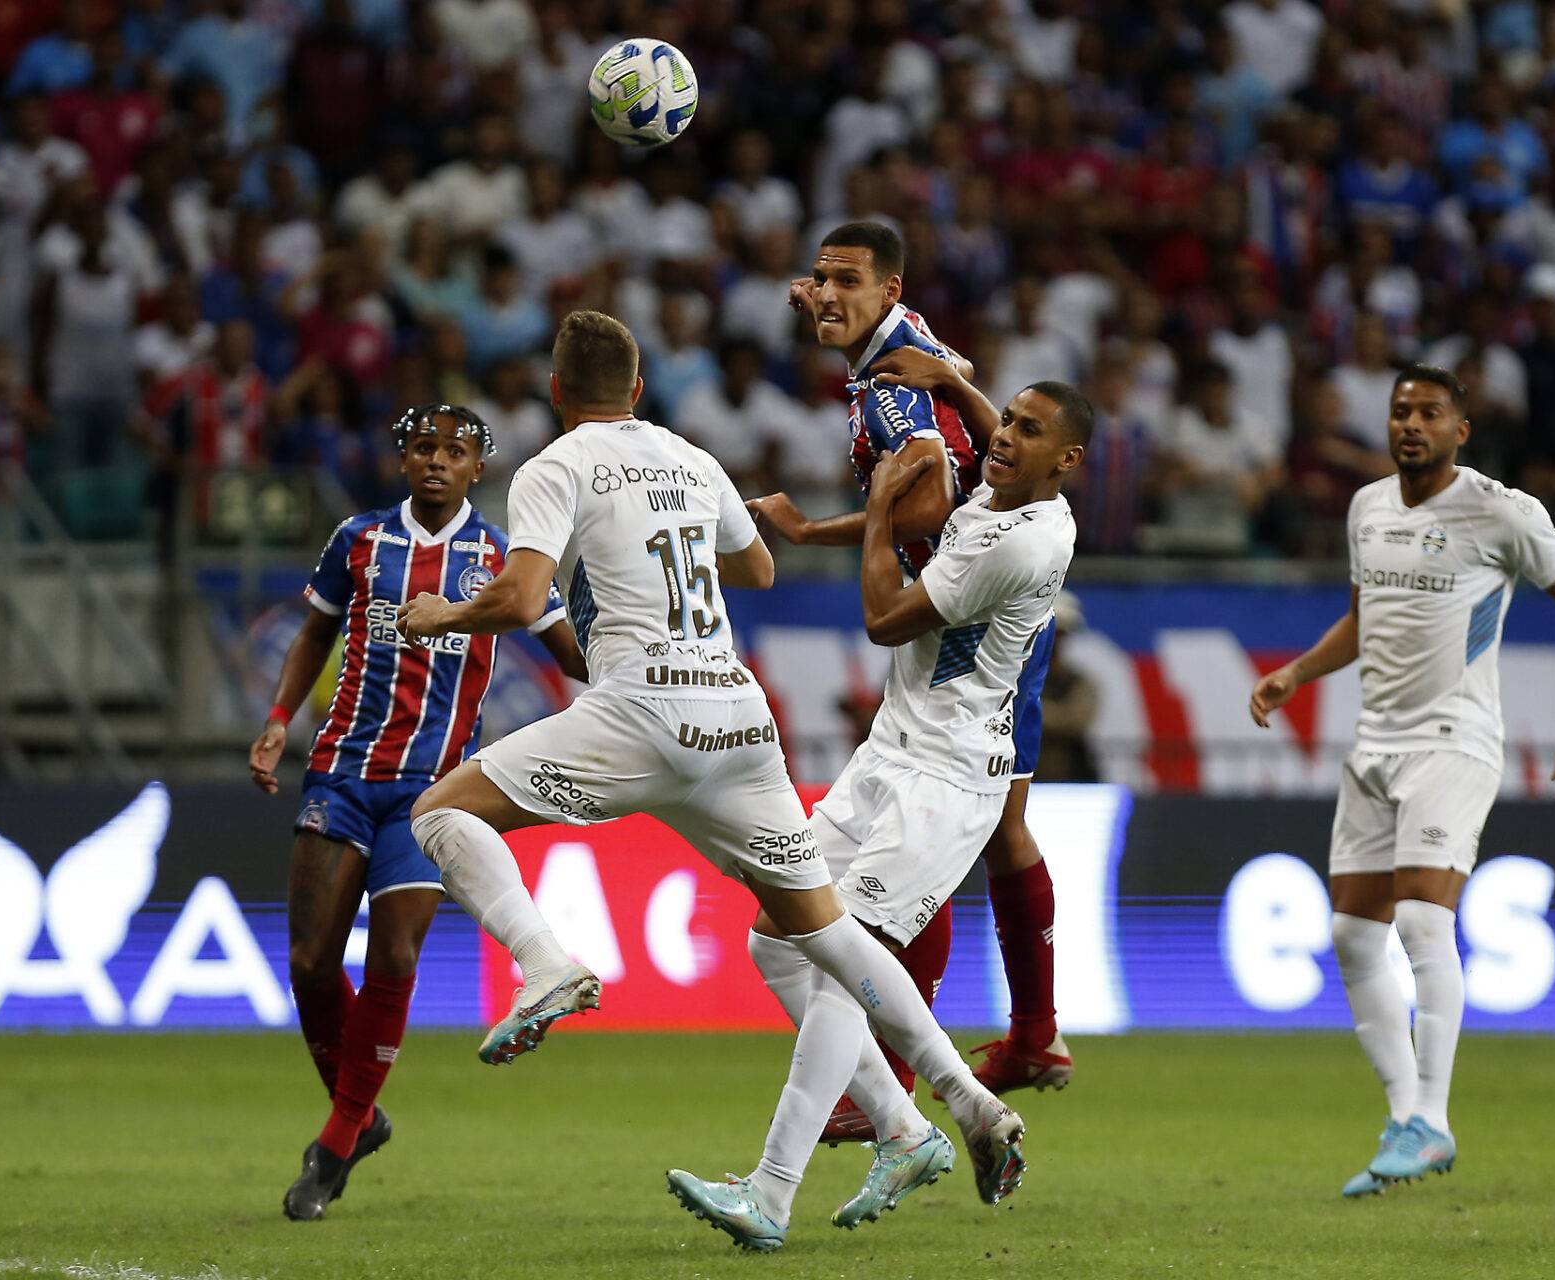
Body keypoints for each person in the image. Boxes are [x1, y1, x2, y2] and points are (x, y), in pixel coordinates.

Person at [397, 311, 1028, 1247]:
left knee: (442, 812)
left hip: (640, 714)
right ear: (641, 390)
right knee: (824, 933)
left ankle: (546, 966)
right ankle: (948, 1114)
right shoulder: (692, 459)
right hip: (735, 716)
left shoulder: (554, 467)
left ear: (559, 394)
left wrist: (439, 612)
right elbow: (758, 568)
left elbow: (524, 598)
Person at [671, 380, 1087, 1244]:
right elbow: (984, 446)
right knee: (774, 934)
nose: (1000, 437)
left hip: (948, 779)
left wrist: (872, 508)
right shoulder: (1003, 496)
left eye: (1027, 430)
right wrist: (954, 386)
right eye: (1004, 419)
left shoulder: (1022, 541)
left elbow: (884, 618)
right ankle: (927, 1120)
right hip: (889, 756)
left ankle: (771, 1194)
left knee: (836, 968)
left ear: (1067, 463)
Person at [1249, 365, 1555, 1198]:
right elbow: (1366, 613)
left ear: (1460, 430)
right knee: (1350, 936)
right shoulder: (1367, 506)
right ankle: (1410, 1116)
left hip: (1455, 739)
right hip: (1375, 743)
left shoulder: (1499, 510)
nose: (1411, 425)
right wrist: (1297, 673)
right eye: (1401, 412)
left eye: (1430, 413)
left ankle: (1433, 1118)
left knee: (1418, 918)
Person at [752, 222, 1073, 1131]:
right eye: (819, 279)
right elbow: (949, 373)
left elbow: (928, 501)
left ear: (888, 290)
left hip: (975, 613)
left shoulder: (889, 397)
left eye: (845, 281)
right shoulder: (902, 342)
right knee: (999, 826)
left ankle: (904, 1066)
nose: (824, 293)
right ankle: (1033, 1033)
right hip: (989, 586)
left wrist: (871, 518)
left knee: (936, 832)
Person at [249, 403, 588, 1222]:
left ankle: (334, 1143)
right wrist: (277, 719)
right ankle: (361, 1114)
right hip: (342, 773)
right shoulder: (358, 540)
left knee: (396, 956)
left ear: (481, 467)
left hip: (433, 793)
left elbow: (565, 644)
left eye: (457, 451)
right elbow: (314, 634)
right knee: (309, 962)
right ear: (402, 460)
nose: (438, 461)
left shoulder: (503, 556)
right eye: (424, 448)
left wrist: (629, 683)